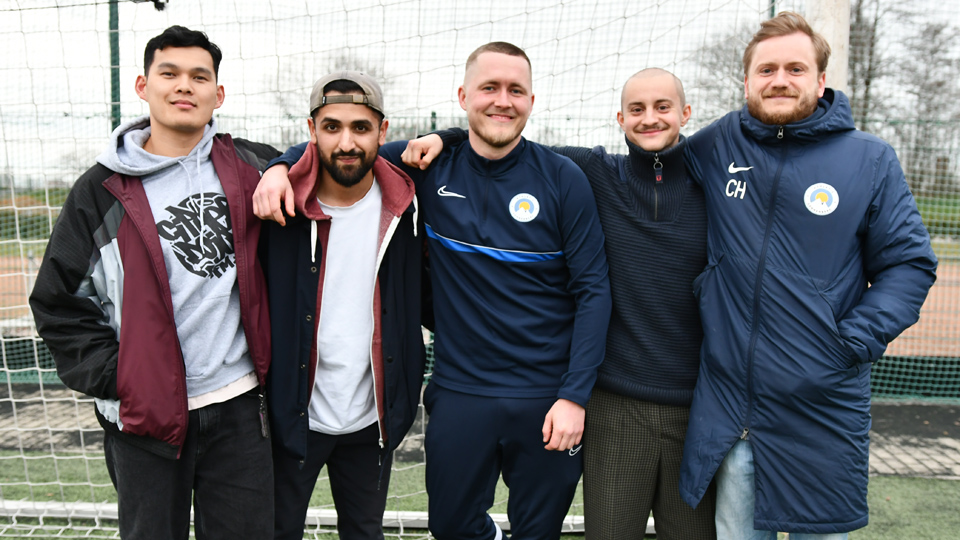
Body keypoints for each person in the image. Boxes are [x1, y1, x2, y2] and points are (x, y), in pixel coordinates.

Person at [253, 41, 611, 540]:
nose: (501, 101)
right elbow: (341, 147)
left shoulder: (562, 179)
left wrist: (574, 396)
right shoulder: (426, 167)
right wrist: (278, 166)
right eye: (489, 88)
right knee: (453, 528)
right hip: (461, 392)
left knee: (539, 533)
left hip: (546, 398)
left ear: (532, 100)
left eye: (515, 90)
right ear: (464, 95)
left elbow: (595, 291)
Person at [403, 68, 716, 540]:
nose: (650, 118)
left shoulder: (713, 180)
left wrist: (571, 394)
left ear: (686, 114)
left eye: (663, 107)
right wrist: (445, 136)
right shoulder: (593, 170)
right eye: (637, 109)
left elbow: (593, 289)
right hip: (565, 395)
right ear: (619, 118)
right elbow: (494, 139)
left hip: (668, 400)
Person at [676, 12, 938, 539]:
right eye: (766, 69)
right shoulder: (719, 143)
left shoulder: (869, 159)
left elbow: (909, 264)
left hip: (823, 410)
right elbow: (644, 165)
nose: (779, 79)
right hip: (734, 414)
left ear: (821, 80)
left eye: (795, 68)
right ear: (746, 80)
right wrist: (461, 142)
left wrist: (847, 344)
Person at [29, 26, 278, 540]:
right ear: (144, 86)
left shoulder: (254, 166)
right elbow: (58, 302)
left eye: (198, 76)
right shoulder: (99, 192)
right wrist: (123, 379)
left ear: (218, 94)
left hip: (239, 407)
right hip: (143, 414)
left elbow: (344, 153)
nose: (183, 86)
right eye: (169, 74)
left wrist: (446, 138)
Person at [258, 71, 426, 540]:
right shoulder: (279, 204)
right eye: (332, 127)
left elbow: (471, 142)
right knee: (274, 530)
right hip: (292, 415)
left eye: (361, 127)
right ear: (311, 132)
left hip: (373, 418)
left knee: (364, 533)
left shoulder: (409, 201)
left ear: (383, 132)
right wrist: (278, 165)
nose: (346, 141)